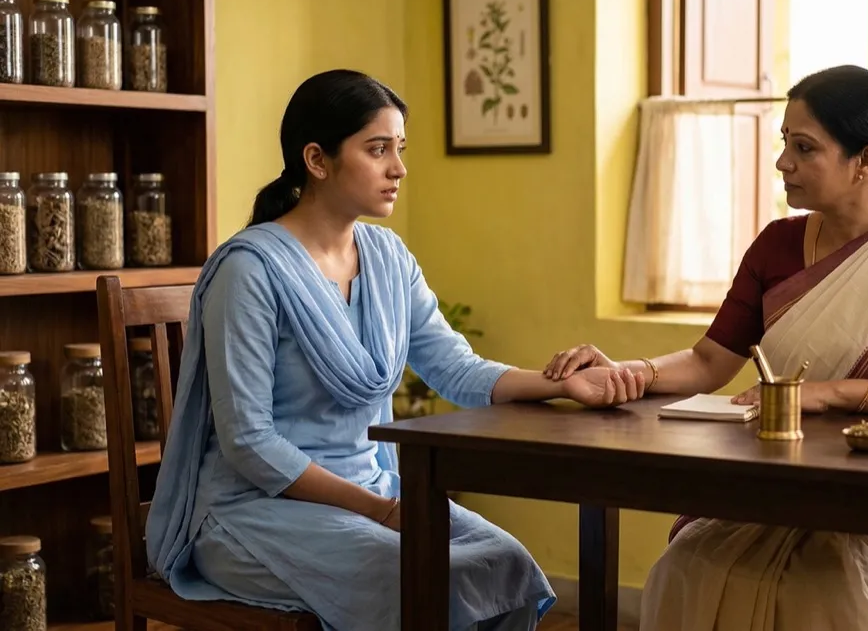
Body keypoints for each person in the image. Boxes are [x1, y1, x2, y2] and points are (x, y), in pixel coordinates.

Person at [542, 65, 868, 631]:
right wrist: (628, 372)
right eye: (785, 142)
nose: (783, 162)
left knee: (817, 588)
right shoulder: (776, 245)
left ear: (865, 161)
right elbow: (709, 361)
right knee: (683, 567)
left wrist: (829, 393)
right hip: (784, 488)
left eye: (804, 147)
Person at [145, 69, 646, 631]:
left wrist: (561, 383)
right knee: (424, 576)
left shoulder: (388, 258)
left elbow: (456, 369)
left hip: (371, 490)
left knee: (505, 564)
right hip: (254, 512)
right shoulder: (249, 271)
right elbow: (249, 443)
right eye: (378, 149)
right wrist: (383, 512)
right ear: (317, 160)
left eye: (399, 149)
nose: (399, 168)